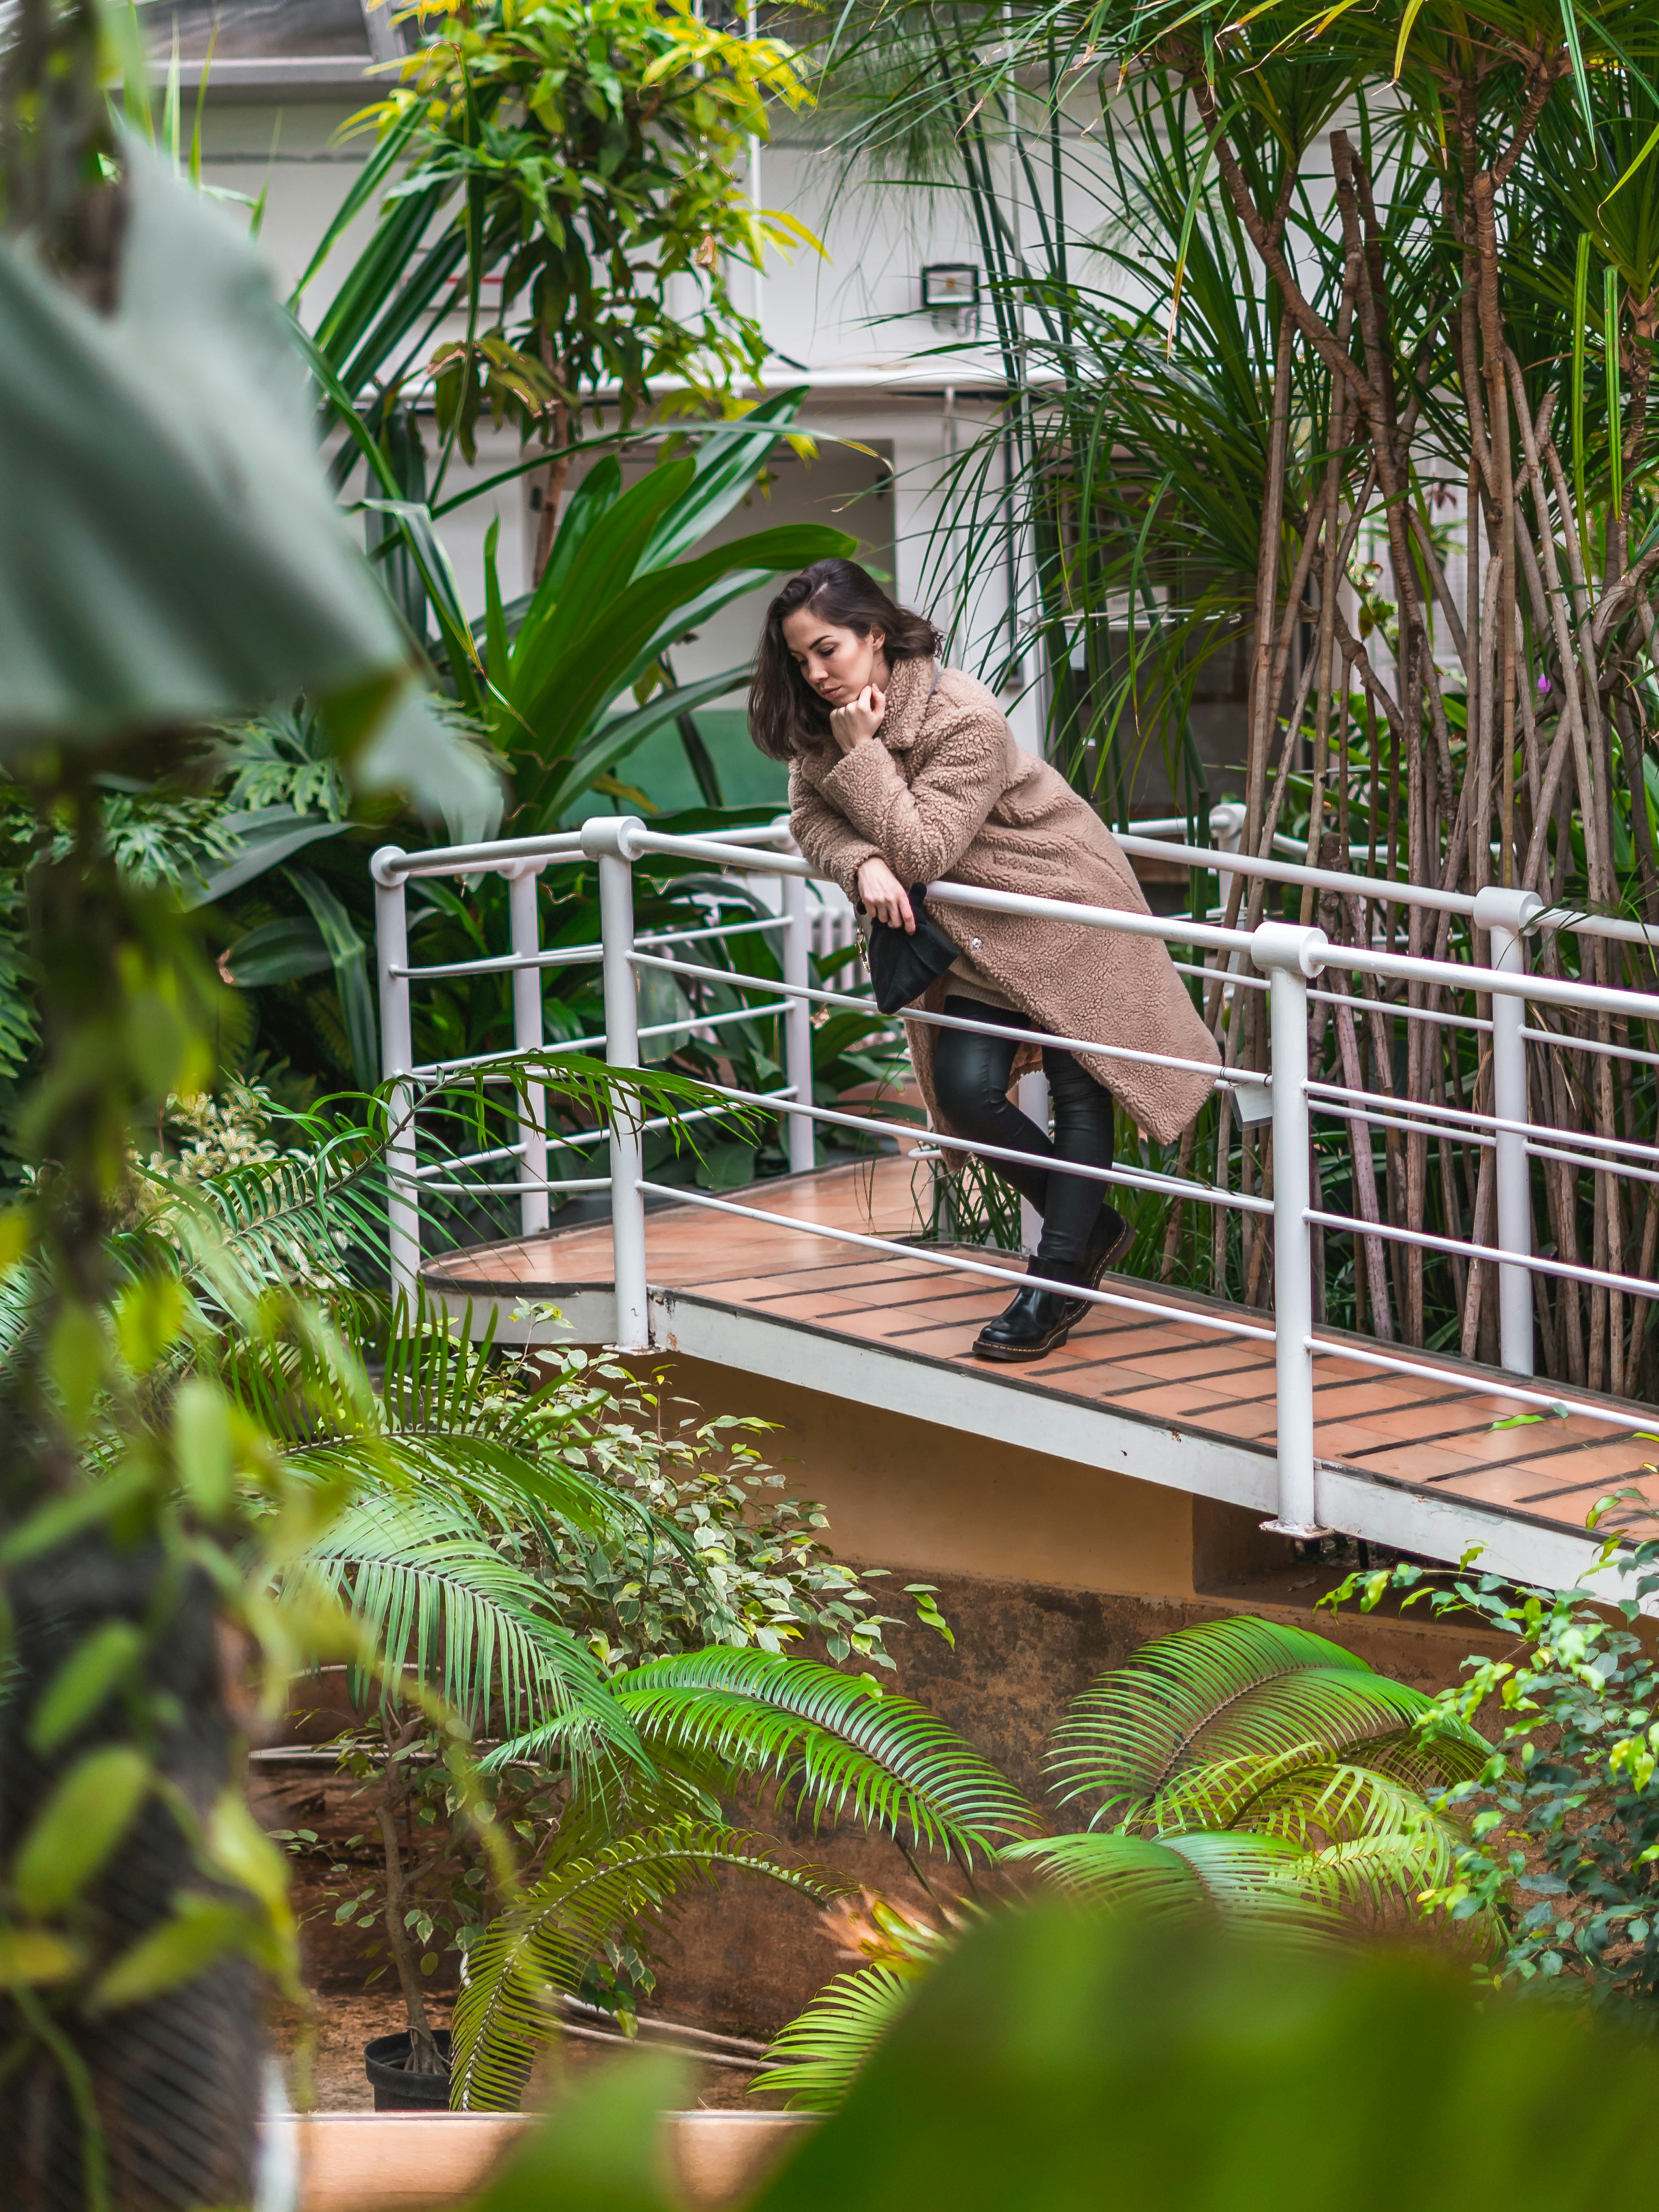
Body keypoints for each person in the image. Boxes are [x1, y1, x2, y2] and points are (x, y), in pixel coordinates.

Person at [750, 558, 1219, 1363]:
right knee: (967, 1095)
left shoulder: (960, 715)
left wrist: (864, 761)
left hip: (1062, 910)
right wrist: (860, 865)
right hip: (979, 938)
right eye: (800, 659)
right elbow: (812, 819)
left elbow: (924, 848)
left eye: (827, 649)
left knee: (1079, 1094)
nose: (816, 673)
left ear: (873, 633)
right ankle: (1091, 1226)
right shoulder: (825, 726)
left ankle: (1057, 1279)